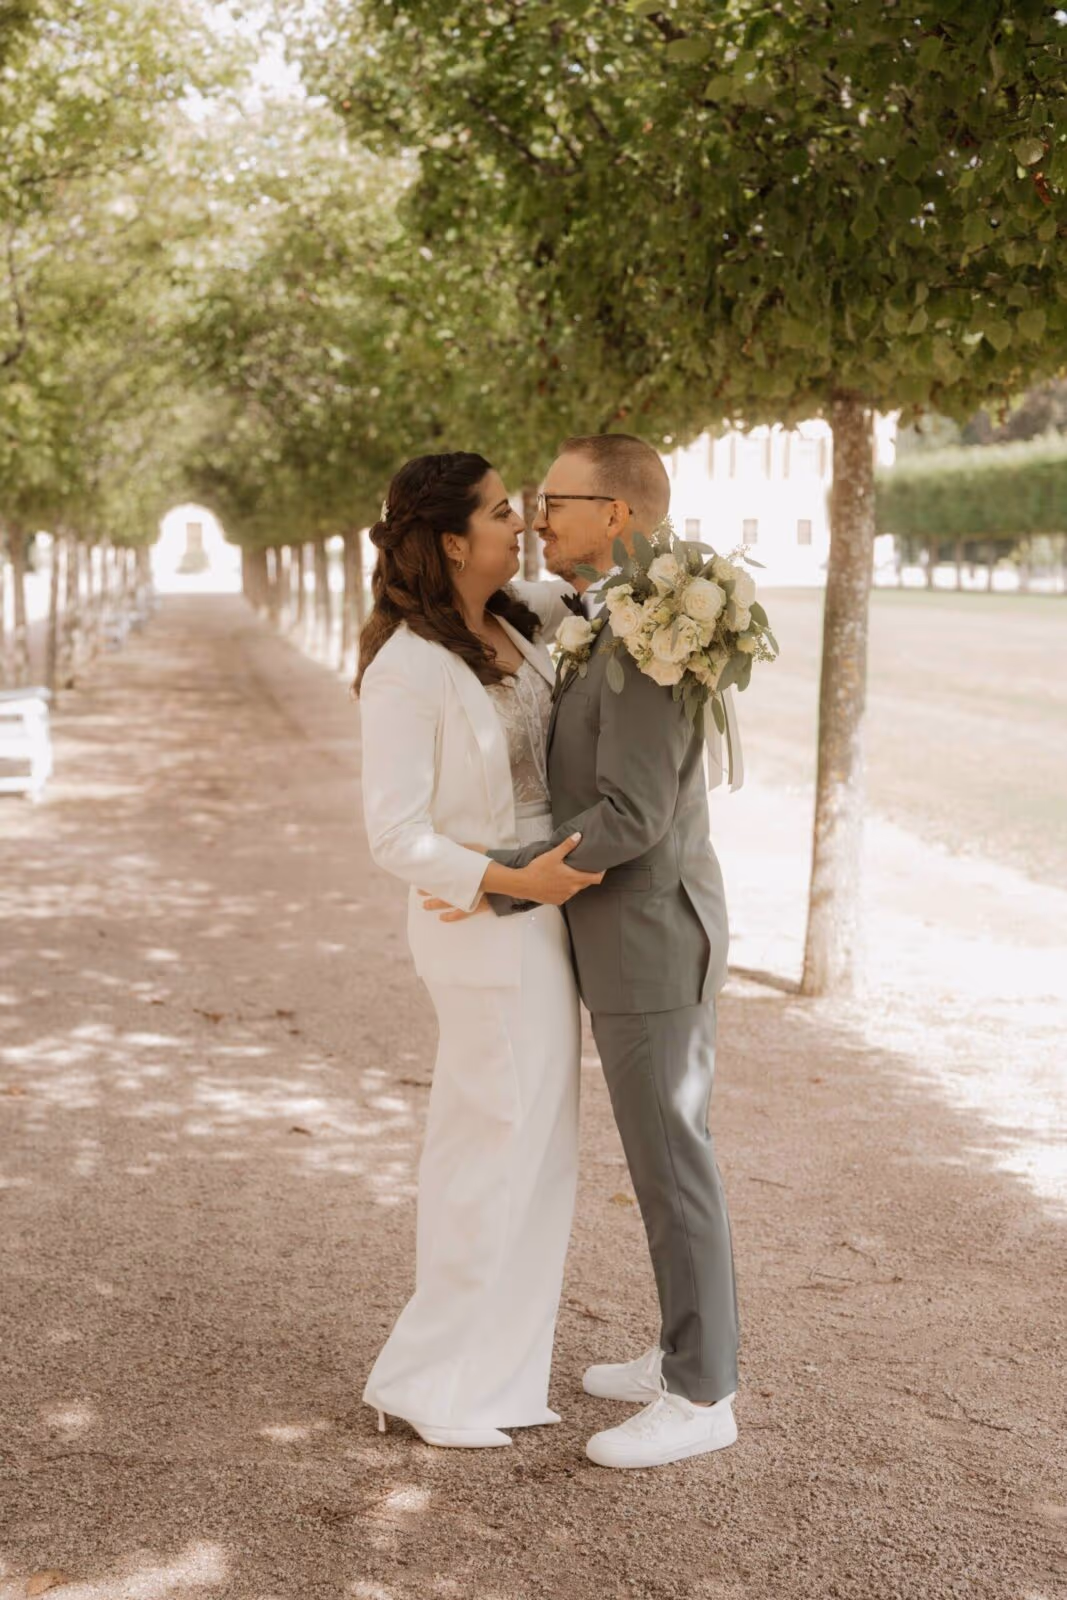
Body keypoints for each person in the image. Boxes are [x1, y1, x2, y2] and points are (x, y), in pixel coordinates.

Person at [442, 433, 740, 1470]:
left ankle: (703, 1393)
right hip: (620, 937)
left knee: (673, 1168)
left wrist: (506, 870)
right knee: (659, 1166)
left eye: (553, 500)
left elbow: (633, 812)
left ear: (614, 515)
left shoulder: (649, 634)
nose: (534, 517)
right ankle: (677, 1349)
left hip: (652, 938)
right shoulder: (607, 615)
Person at [355, 450, 601, 1449]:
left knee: (540, 1155)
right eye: (504, 511)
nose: (524, 522)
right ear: (453, 539)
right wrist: (505, 878)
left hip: (541, 918)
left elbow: (604, 584)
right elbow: (393, 834)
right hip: (483, 925)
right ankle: (424, 1380)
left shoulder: (515, 617)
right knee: (485, 1149)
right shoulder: (405, 666)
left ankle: (495, 1378)